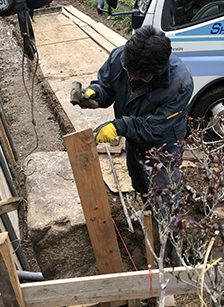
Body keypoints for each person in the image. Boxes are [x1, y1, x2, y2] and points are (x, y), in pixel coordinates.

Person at [76, 25, 194, 264]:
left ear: (156, 70)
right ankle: (150, 217)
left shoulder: (180, 82)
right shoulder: (123, 58)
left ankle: (175, 249)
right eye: (129, 71)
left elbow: (155, 126)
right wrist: (95, 94)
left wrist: (119, 127)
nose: (131, 77)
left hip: (163, 145)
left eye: (139, 76)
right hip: (135, 139)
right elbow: (107, 85)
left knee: (167, 198)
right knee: (139, 181)